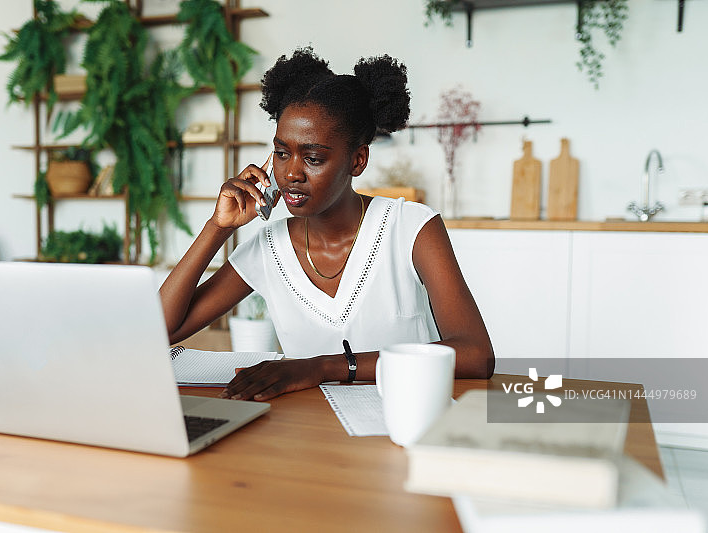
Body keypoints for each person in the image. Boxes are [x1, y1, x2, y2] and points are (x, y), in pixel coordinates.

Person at [159, 47, 494, 401]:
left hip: (405, 425)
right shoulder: (268, 247)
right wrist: (218, 227)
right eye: (282, 152)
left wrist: (324, 367)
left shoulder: (411, 228)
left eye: (314, 158)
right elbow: (161, 331)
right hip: (310, 435)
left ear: (358, 160)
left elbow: (476, 354)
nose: (291, 173)